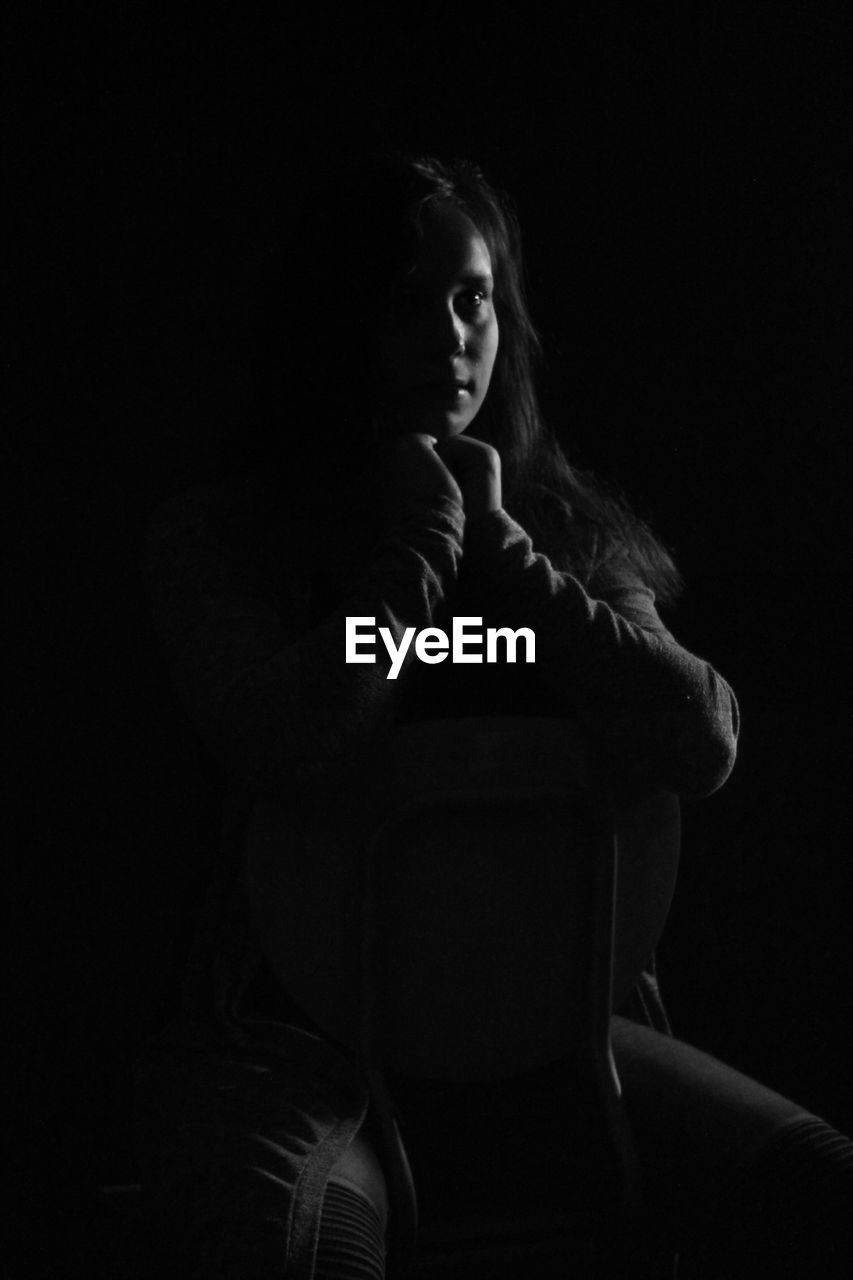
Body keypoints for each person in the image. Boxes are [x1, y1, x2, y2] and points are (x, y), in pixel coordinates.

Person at [135, 153, 852, 1278]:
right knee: (303, 1257)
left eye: (472, 297)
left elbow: (701, 734)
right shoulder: (221, 540)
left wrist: (514, 571)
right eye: (406, 301)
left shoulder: (566, 536)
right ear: (337, 325)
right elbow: (283, 739)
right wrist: (416, 556)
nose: (450, 333)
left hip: (561, 1039)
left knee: (822, 1186)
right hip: (298, 1047)